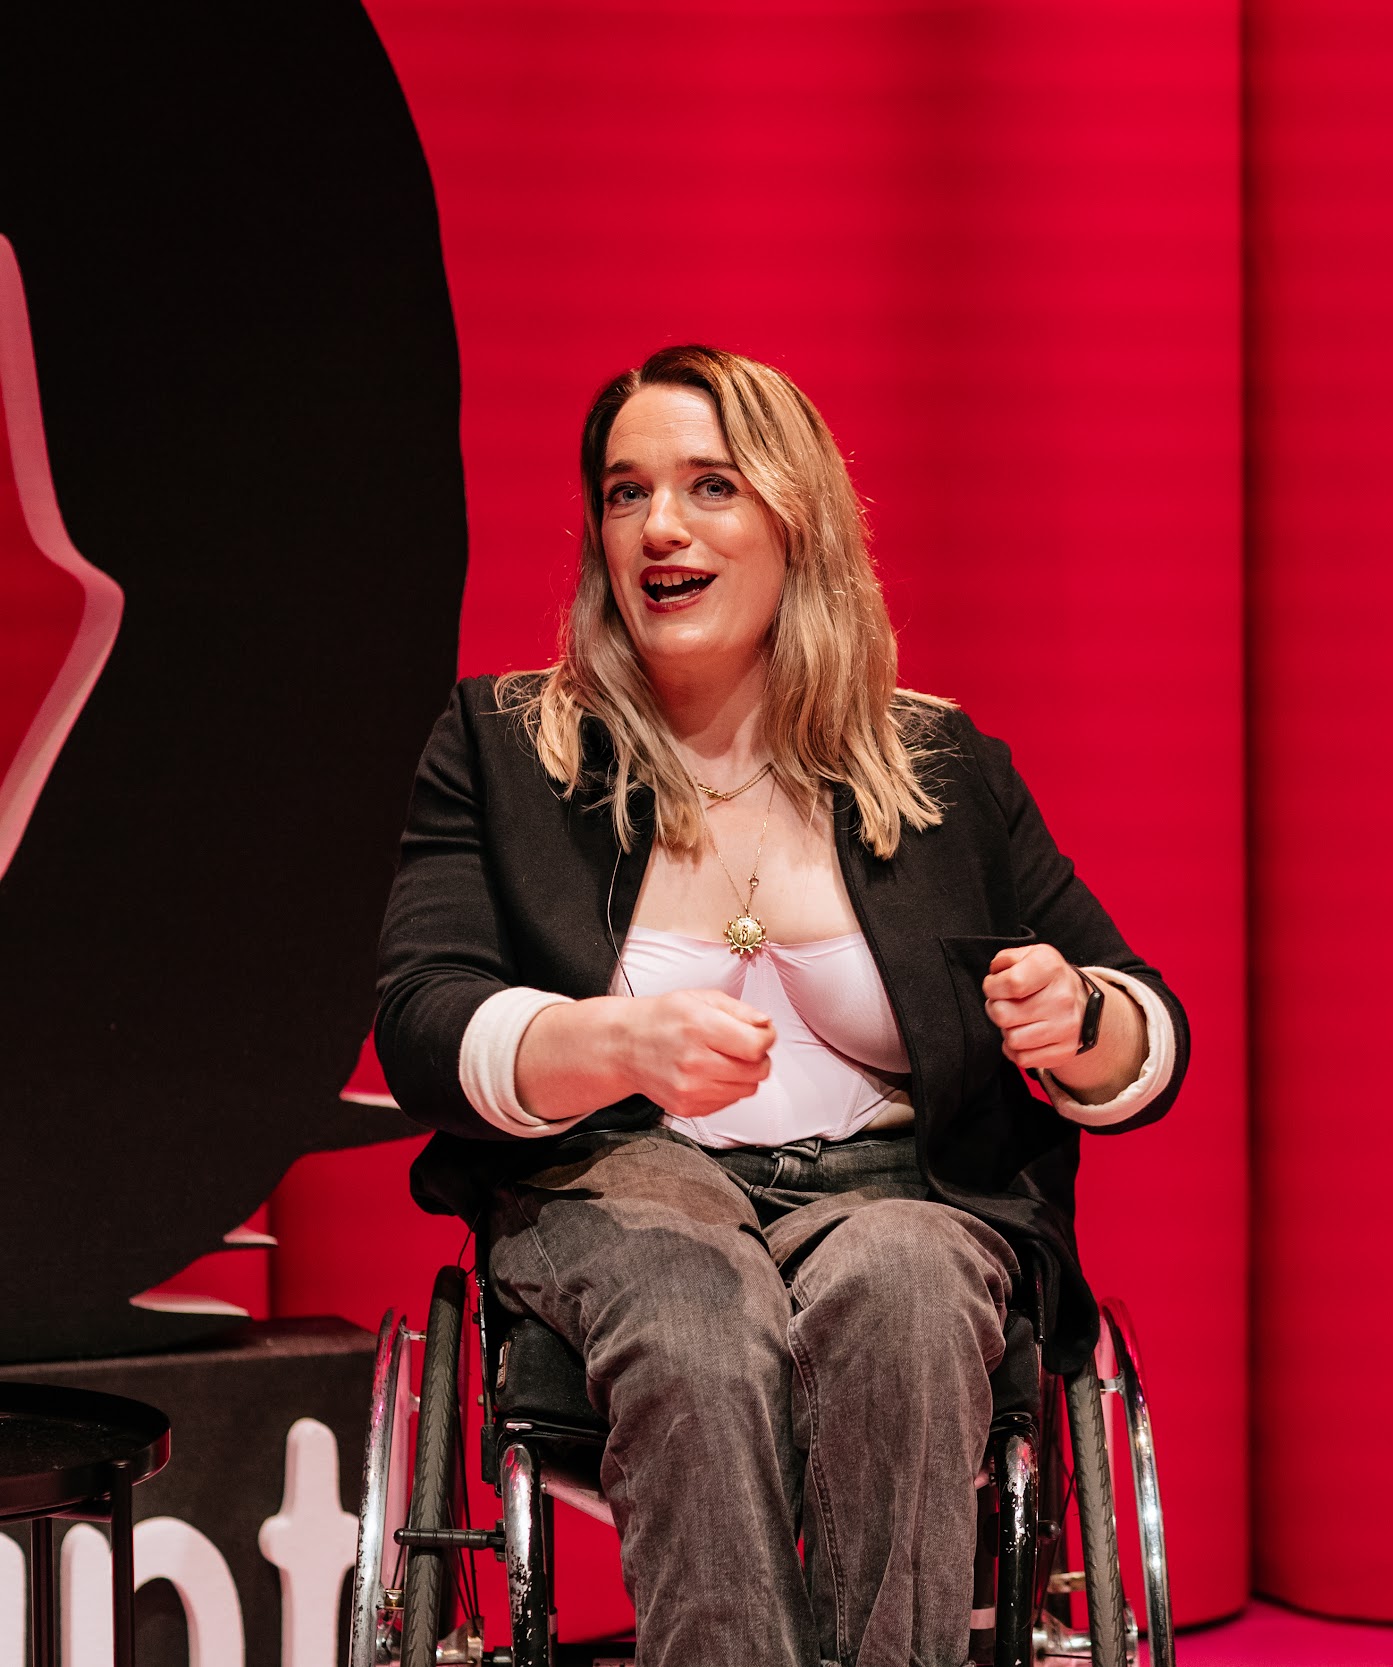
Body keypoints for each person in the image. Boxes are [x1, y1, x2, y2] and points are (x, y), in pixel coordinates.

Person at [375, 345, 1187, 1667]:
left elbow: (1146, 1021)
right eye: (626, 491)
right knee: (694, 1303)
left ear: (793, 517)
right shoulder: (507, 748)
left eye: (709, 485)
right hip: (618, 1184)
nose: (662, 526)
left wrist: (1083, 1018)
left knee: (910, 1284)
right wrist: (604, 1041)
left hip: (903, 1191)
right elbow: (422, 1014)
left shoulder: (938, 766)